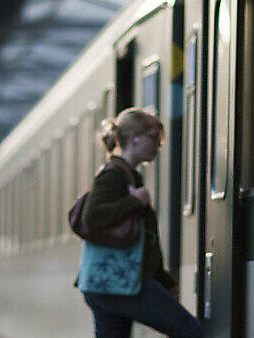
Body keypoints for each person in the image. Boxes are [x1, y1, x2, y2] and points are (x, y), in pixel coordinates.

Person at [79, 108, 202, 338]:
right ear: (134, 137)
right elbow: (92, 217)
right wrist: (134, 201)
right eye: (154, 137)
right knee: (190, 331)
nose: (159, 144)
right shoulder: (112, 174)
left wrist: (163, 279)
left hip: (106, 284)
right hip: (121, 282)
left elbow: (143, 241)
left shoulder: (127, 174)